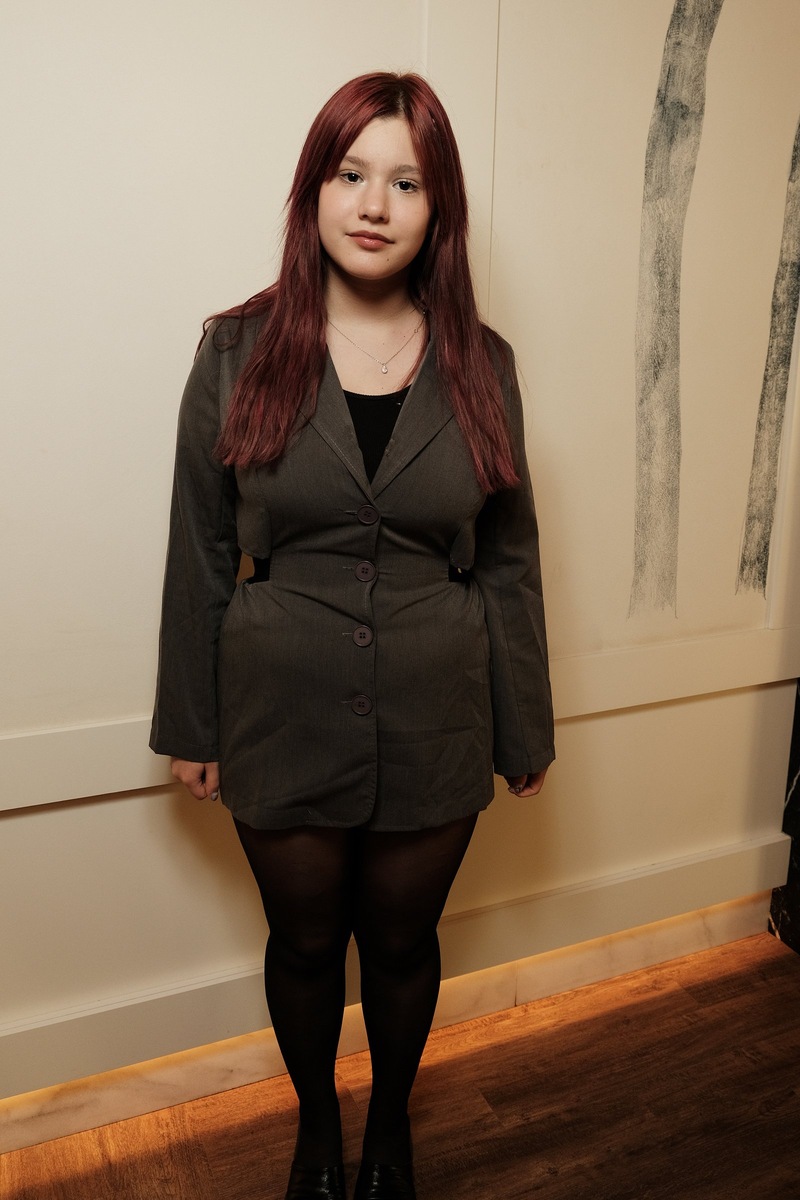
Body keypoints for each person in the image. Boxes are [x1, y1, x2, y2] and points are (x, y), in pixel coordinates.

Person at [151, 71, 554, 1200]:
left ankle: (388, 1136)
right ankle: (317, 1132)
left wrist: (523, 727)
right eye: (351, 174)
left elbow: (509, 560)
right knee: (303, 944)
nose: (374, 204)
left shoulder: (484, 364)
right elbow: (198, 546)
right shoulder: (233, 351)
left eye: (406, 182)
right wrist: (192, 723)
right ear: (314, 191)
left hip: (438, 707)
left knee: (404, 944)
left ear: (438, 209)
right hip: (275, 707)